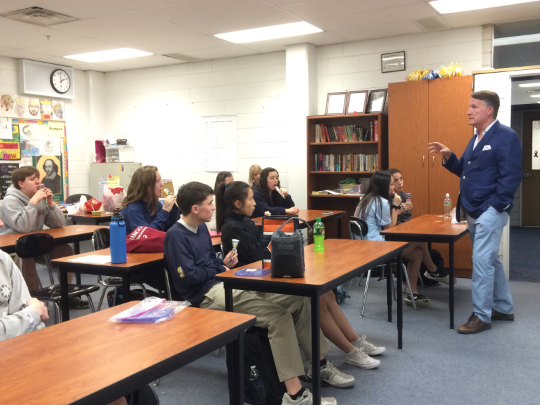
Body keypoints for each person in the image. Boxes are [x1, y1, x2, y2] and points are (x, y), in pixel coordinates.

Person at [165, 181, 355, 405]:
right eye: (209, 204)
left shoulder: (202, 229)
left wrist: (222, 264)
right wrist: (219, 268)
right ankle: (295, 395)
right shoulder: (176, 235)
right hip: (206, 296)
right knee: (277, 316)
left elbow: (207, 265)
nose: (214, 208)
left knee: (299, 300)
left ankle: (319, 365)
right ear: (195, 209)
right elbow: (189, 277)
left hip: (224, 283)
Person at [216, 180, 384, 370]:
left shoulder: (246, 222)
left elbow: (264, 249)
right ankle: (350, 352)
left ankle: (355, 341)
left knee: (327, 294)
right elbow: (257, 256)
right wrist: (270, 243)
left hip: (268, 276)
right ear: (237, 204)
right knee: (316, 300)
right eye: (251, 199)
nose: (255, 203)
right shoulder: (232, 227)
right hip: (256, 285)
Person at [428, 90, 522, 334]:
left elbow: (511, 177)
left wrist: (496, 206)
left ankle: (482, 315)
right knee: (489, 260)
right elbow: (466, 172)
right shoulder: (476, 138)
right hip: (472, 209)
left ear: (489, 110)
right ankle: (503, 307)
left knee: (480, 262)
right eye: (469, 106)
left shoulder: (506, 136)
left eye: (474, 107)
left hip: (490, 210)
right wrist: (449, 157)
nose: (468, 111)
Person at [354, 171, 448, 307]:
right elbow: (390, 228)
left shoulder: (366, 199)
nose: (394, 187)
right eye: (391, 184)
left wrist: (395, 209)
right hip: (376, 250)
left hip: (363, 248)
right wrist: (396, 207)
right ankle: (433, 270)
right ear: (383, 186)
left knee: (418, 253)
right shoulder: (381, 202)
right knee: (420, 241)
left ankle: (413, 293)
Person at [0, 167, 86, 309]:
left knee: (65, 250)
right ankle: (33, 300)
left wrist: (51, 203)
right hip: (14, 248)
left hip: (36, 244)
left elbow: (58, 224)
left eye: (38, 178)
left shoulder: (39, 198)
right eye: (32, 179)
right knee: (26, 258)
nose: (38, 182)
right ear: (21, 184)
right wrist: (33, 202)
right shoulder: (9, 201)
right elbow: (23, 227)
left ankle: (67, 293)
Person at [121, 165, 180, 235]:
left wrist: (173, 208)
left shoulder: (155, 204)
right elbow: (147, 235)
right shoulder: (132, 209)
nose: (162, 184)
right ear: (145, 186)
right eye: (158, 181)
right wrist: (165, 211)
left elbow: (169, 231)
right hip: (139, 245)